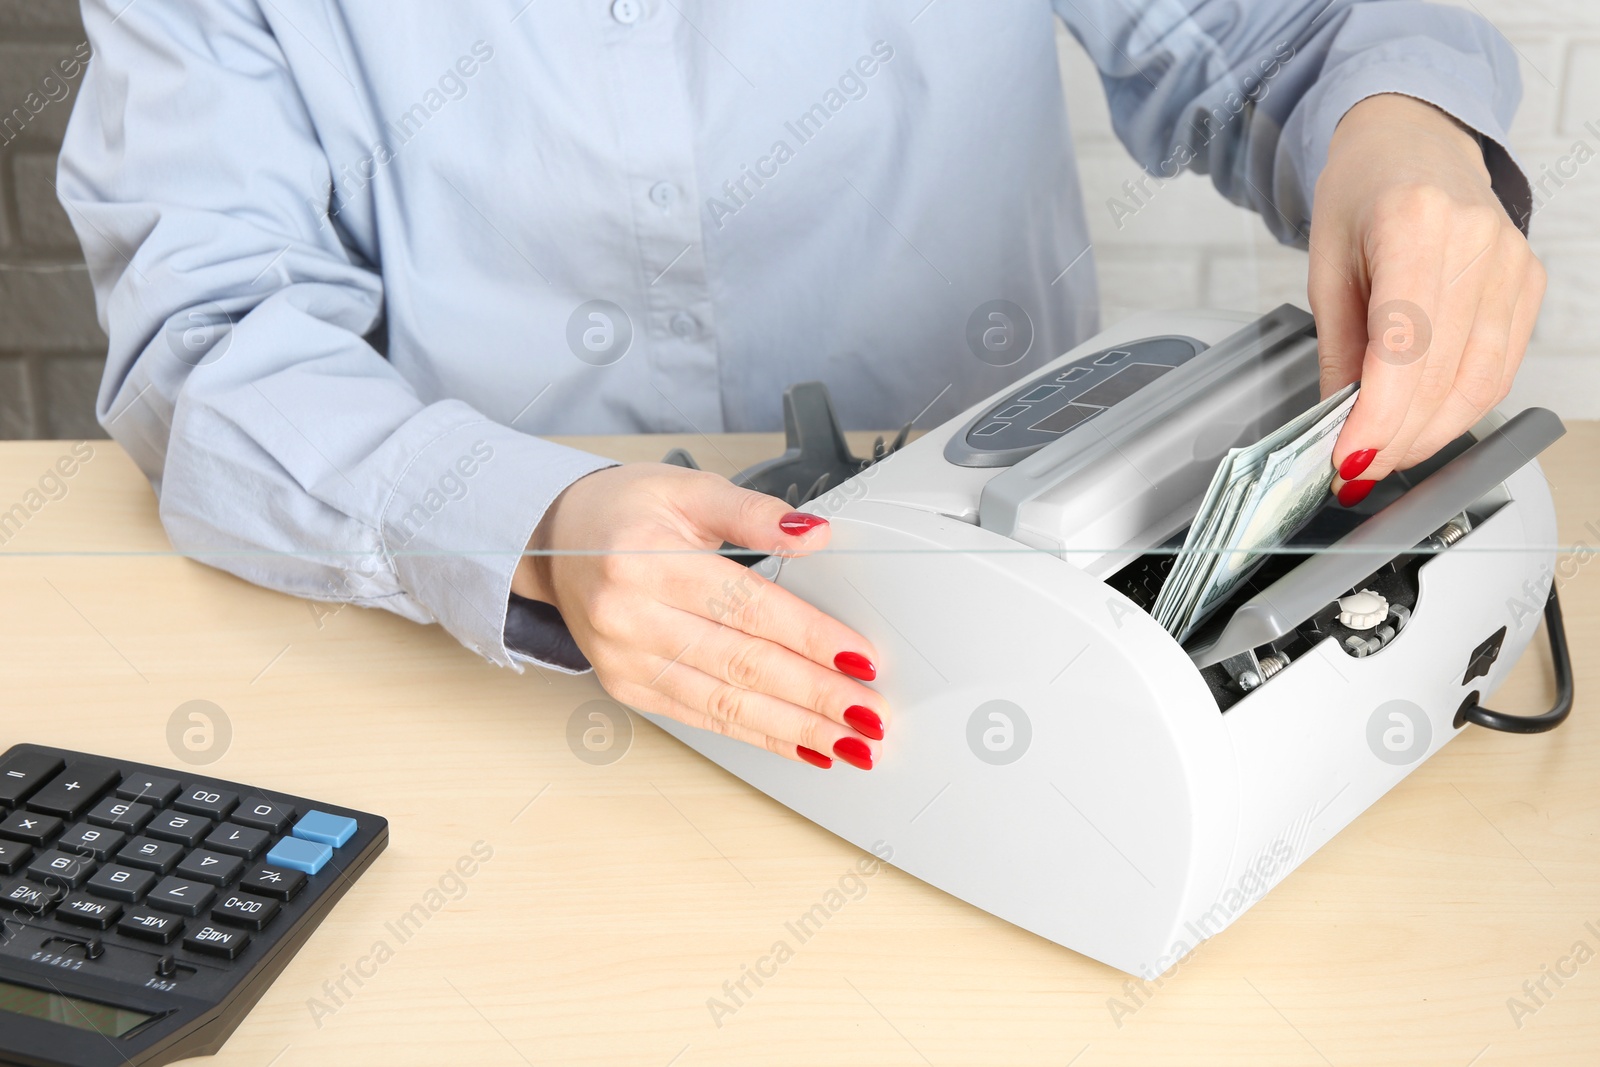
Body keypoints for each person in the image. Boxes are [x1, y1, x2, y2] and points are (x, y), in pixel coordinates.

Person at [59, 1, 1544, 772]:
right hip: (493, 666)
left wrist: (1405, 135)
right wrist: (534, 523)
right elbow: (209, 330)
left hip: (1010, 641)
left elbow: (1289, 39)